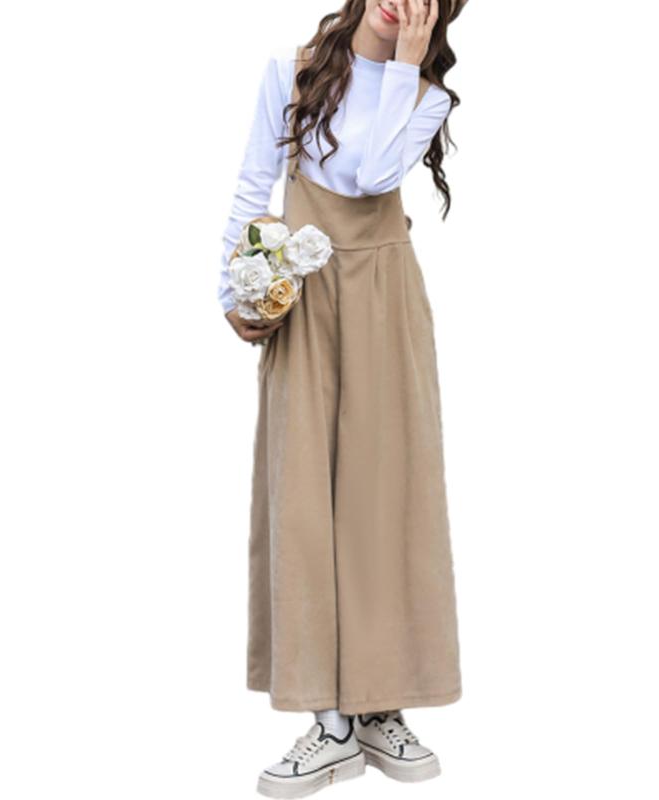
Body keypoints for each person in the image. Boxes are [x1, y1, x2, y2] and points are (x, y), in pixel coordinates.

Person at [218, 1, 468, 796]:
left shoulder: (424, 95)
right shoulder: (289, 73)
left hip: (385, 300)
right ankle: (327, 721)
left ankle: (379, 705)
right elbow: (253, 186)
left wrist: (405, 69)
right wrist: (235, 291)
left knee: (381, 500)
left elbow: (371, 175)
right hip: (304, 295)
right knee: (302, 499)